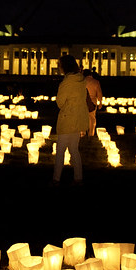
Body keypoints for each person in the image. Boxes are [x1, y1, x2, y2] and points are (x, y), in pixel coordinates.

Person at [53, 54, 89, 186]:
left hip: (67, 120)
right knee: (74, 150)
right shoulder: (81, 80)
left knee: (60, 151)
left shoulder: (66, 82)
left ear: (64, 66)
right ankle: (78, 177)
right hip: (78, 119)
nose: (59, 67)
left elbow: (60, 103)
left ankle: (56, 179)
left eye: (60, 65)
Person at [84, 69, 103, 136]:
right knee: (92, 118)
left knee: (82, 118)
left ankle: (82, 133)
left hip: (82, 103)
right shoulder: (96, 82)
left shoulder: (81, 82)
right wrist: (100, 103)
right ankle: (91, 133)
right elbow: (99, 93)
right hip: (92, 103)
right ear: (91, 74)